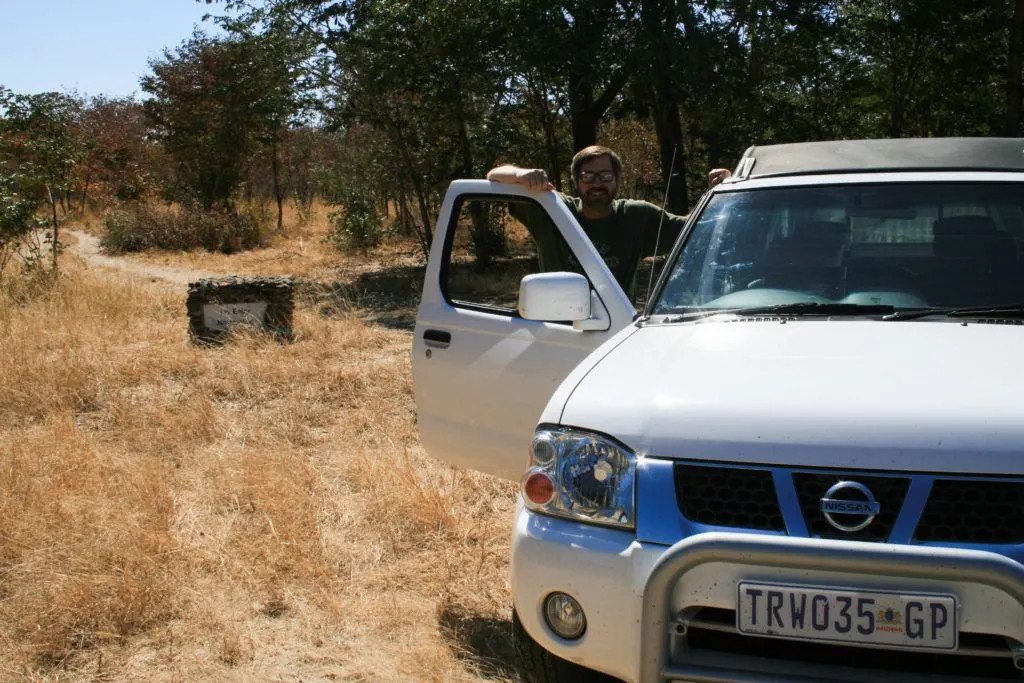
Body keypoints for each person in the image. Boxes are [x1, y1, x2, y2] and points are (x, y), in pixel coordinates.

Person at [487, 145, 731, 299]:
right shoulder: (551, 209)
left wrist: (720, 192)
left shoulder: (637, 216)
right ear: (576, 181)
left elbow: (692, 230)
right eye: (588, 176)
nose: (597, 183)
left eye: (605, 175)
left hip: (616, 331)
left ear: (617, 180)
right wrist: (520, 175)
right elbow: (494, 176)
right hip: (557, 332)